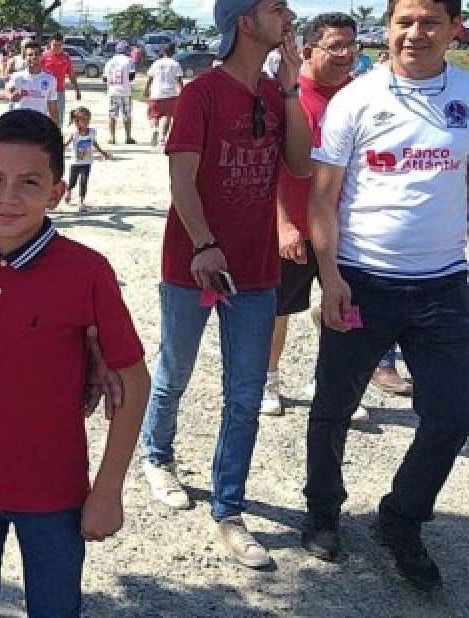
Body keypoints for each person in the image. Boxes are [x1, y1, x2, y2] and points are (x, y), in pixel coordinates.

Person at [0, 108, 150, 618]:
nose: (8, 197)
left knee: (56, 608)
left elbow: (134, 380)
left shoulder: (85, 271)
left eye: (29, 182)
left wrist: (108, 489)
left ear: (56, 192)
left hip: (53, 490)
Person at [302, 0, 469, 593]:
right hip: (362, 278)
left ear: (455, 28)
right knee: (333, 407)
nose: (415, 33)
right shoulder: (357, 98)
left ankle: (401, 519)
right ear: (389, 27)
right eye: (404, 21)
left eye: (429, 22)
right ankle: (322, 506)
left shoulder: (467, 96)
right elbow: (322, 199)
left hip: (444, 284)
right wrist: (331, 275)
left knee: (452, 413)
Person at [139, 0, 310, 570]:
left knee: (244, 395)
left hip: (258, 268)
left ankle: (229, 510)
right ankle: (157, 456)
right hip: (193, 264)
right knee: (176, 373)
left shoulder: (273, 92)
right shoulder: (202, 93)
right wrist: (205, 245)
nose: (288, 14)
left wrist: (290, 90)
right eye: (275, 7)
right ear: (244, 21)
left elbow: (300, 164)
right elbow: (181, 179)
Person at [259, 13, 359, 417]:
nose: (345, 54)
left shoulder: (361, 95)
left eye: (351, 45)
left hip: (348, 228)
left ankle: (331, 381)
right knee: (280, 309)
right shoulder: (288, 96)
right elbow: (274, 166)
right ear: (307, 51)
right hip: (296, 225)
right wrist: (282, 223)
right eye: (334, 46)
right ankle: (269, 378)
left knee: (346, 307)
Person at [62, 106, 112, 210]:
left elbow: (94, 143)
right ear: (77, 121)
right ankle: (68, 192)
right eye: (83, 120)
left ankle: (81, 202)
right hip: (75, 163)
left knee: (84, 182)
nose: (86, 122)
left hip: (87, 163)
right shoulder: (74, 134)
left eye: (88, 119)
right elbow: (66, 145)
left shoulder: (92, 132)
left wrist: (103, 152)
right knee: (72, 182)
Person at [4, 39, 58, 120]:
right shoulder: (17, 76)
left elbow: (52, 107)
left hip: (39, 123)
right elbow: (7, 90)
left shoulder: (50, 79)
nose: (33, 57)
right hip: (19, 121)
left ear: (41, 56)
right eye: (30, 55)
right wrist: (11, 96)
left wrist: (55, 130)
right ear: (25, 57)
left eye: (36, 54)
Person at [144, 44, 184, 147]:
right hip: (170, 93)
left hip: (156, 93)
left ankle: (155, 130)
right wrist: (182, 92)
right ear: (173, 52)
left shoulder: (156, 63)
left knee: (155, 115)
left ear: (164, 52)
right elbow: (179, 80)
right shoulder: (175, 64)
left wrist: (146, 89)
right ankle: (162, 138)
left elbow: (150, 78)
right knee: (168, 116)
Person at [41, 32, 82, 129]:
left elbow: (71, 74)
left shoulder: (66, 57)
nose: (57, 47)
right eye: (55, 45)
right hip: (44, 92)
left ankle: (57, 139)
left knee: (58, 118)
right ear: (50, 44)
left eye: (59, 45)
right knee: (44, 117)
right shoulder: (43, 56)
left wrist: (77, 89)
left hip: (59, 92)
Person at [103, 42, 137, 144]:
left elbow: (105, 79)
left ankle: (112, 138)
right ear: (126, 50)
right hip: (125, 91)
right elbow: (131, 76)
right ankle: (128, 137)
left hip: (113, 91)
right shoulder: (129, 61)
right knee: (127, 115)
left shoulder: (110, 62)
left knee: (112, 115)